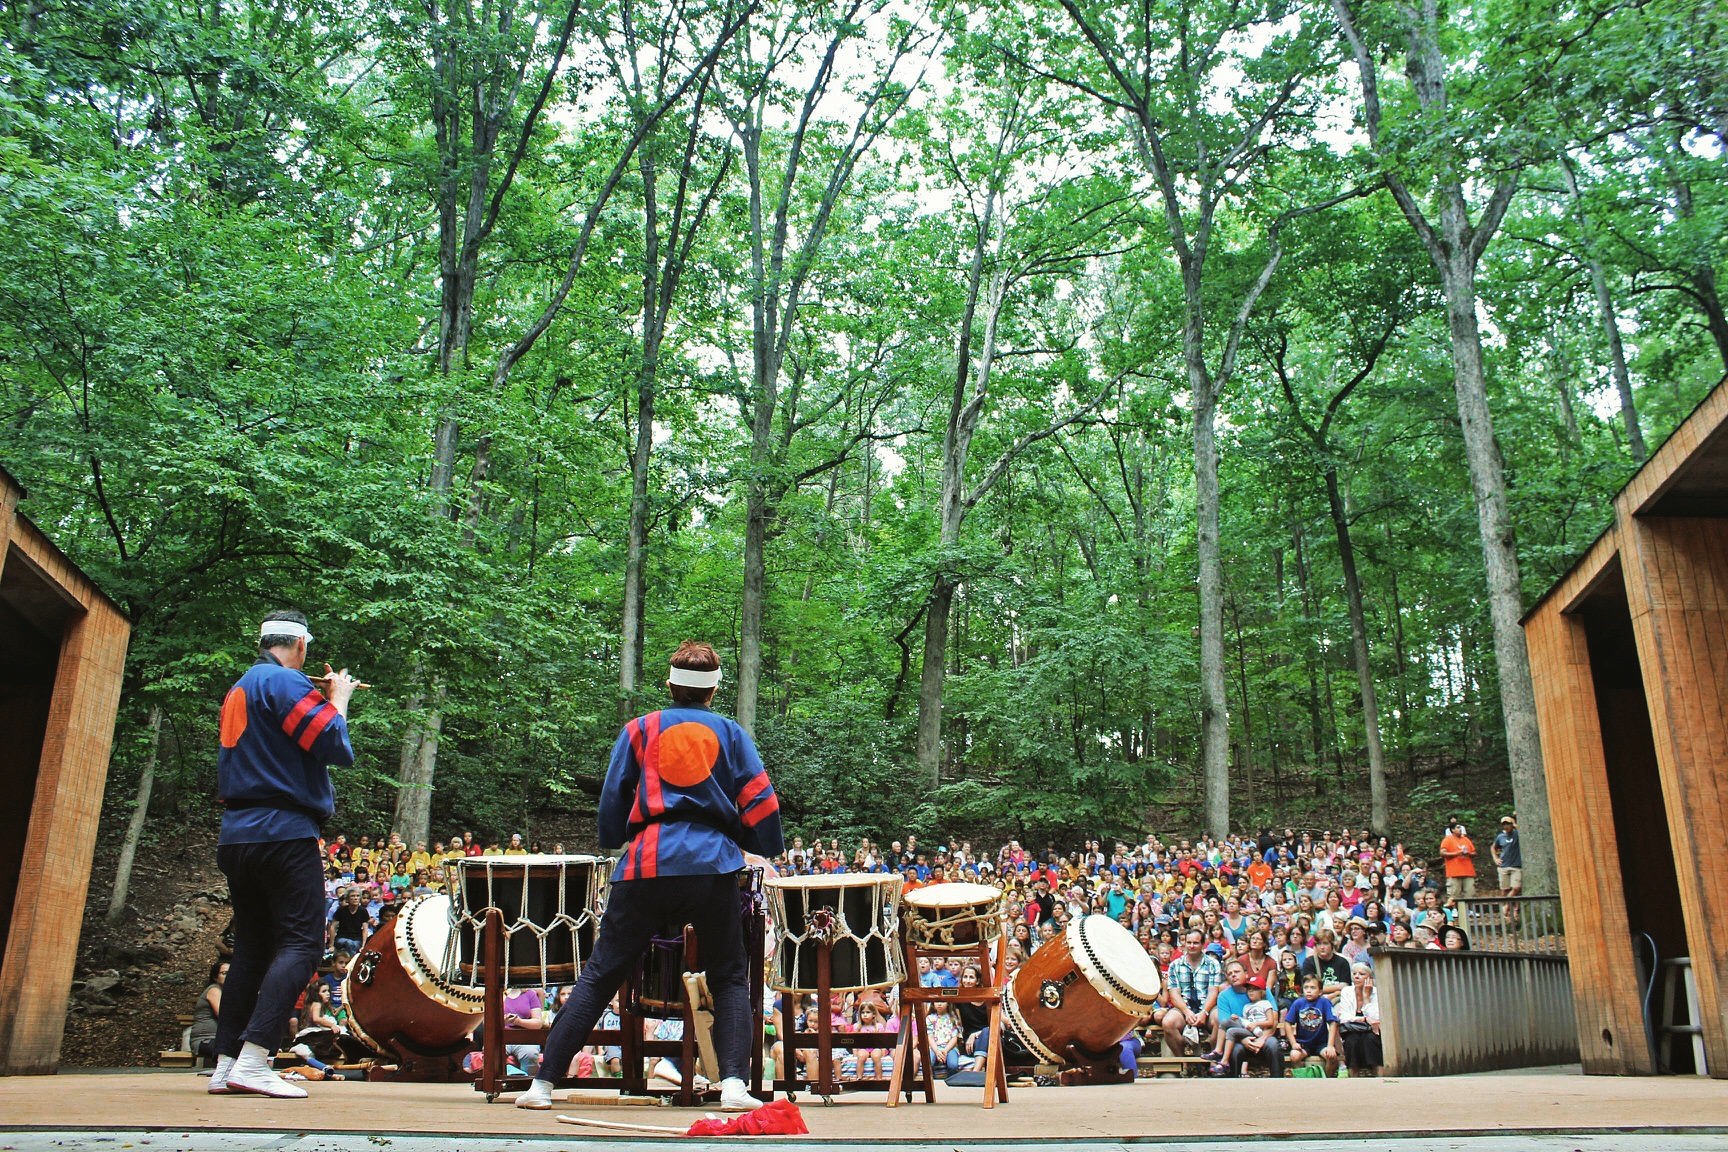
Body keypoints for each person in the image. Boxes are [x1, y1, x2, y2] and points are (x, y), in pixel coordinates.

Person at [515, 642, 784, 1114]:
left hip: (645, 863)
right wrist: (760, 844)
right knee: (727, 976)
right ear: (715, 690)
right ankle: (734, 1086)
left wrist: (618, 838)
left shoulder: (640, 729)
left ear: (671, 685)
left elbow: (613, 799)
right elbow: (761, 799)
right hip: (711, 865)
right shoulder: (731, 732)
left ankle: (542, 1084)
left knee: (600, 975)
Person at [210, 610, 359, 1099]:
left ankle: (226, 1061)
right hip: (282, 829)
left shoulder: (240, 687)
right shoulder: (287, 682)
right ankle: (255, 1059)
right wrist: (337, 698)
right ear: (299, 644)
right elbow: (332, 742)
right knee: (302, 943)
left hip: (237, 834)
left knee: (252, 948)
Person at [1283, 974, 1340, 1076]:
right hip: (1303, 1044)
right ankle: (1302, 1077)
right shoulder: (1298, 1003)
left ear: (1320, 991)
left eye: (1313, 988)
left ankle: (1327, 1079)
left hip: (1321, 1043)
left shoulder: (1324, 1002)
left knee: (1331, 1056)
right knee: (1294, 1055)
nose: (1309, 991)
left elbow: (1332, 1022)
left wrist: (1330, 1045)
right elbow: (1287, 1022)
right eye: (1306, 987)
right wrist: (1293, 1043)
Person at [189, 961, 227, 1066]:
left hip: (218, 1040)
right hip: (205, 1040)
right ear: (215, 977)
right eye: (224, 973)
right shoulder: (214, 990)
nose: (229, 976)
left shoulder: (227, 992)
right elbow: (224, 1016)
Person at [1439, 821, 1477, 903]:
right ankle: (1454, 909)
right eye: (1458, 827)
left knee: (1470, 893)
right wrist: (1457, 853)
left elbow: (1474, 852)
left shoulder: (1466, 839)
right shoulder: (1447, 839)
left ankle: (1469, 910)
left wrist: (1469, 853)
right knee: (1454, 894)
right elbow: (1442, 853)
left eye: (1460, 827)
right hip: (1454, 872)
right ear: (1452, 830)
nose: (1460, 829)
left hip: (1468, 871)